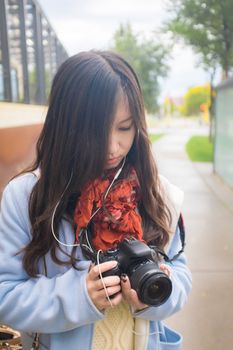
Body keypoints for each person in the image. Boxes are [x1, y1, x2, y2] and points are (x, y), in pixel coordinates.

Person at [0, 51, 192, 350]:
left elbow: (181, 272)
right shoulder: (27, 196)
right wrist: (79, 296)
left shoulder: (158, 191)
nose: (113, 147)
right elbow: (6, 297)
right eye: (95, 131)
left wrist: (158, 290)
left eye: (125, 128)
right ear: (65, 125)